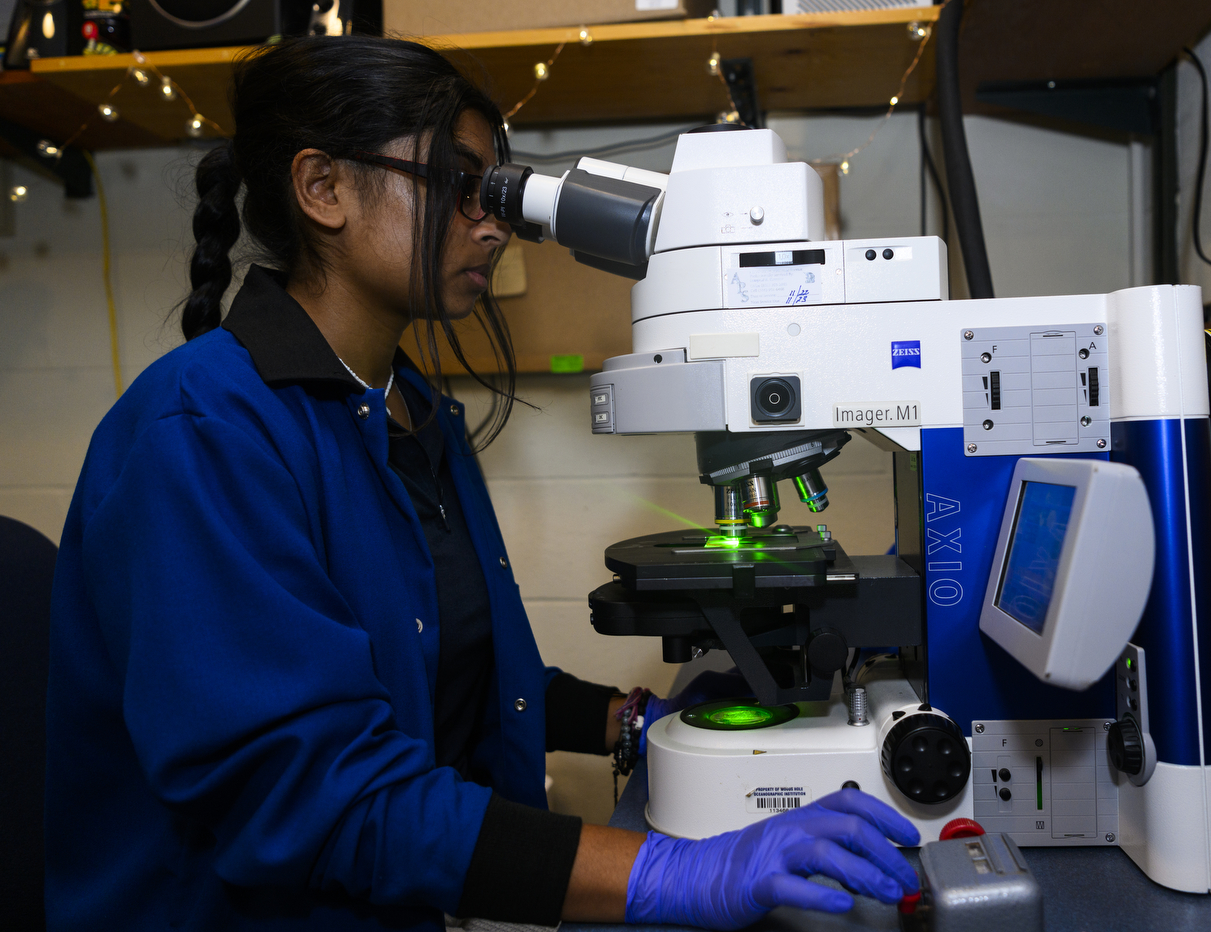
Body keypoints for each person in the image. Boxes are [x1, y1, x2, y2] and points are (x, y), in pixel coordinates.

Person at [45, 36, 920, 931]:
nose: (494, 222)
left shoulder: (406, 410)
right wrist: (668, 870)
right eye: (460, 184)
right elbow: (318, 797)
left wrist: (627, 720)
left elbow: (448, 677)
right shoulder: (204, 436)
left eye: (496, 189)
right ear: (323, 189)